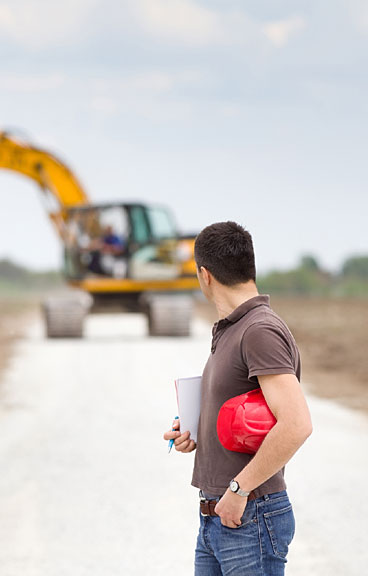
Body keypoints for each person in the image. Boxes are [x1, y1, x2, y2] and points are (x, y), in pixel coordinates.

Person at [164, 221, 312, 575]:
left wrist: (238, 489)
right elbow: (250, 417)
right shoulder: (233, 328)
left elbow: (296, 424)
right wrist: (197, 430)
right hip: (220, 515)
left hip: (249, 514)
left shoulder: (259, 330)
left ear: (205, 275)